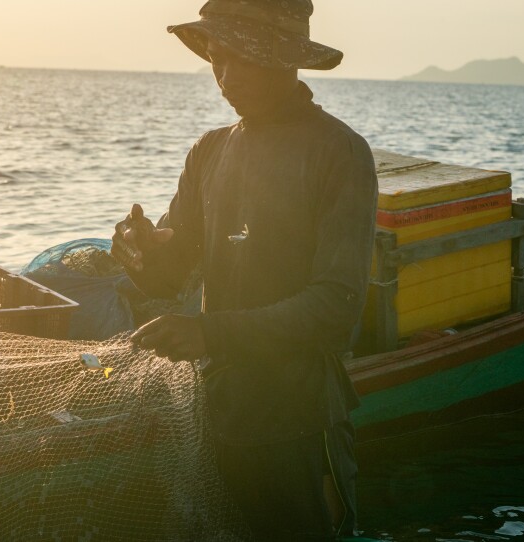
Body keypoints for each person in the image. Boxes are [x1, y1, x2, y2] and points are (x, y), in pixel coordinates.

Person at [111, 1, 378, 539]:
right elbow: (171, 270)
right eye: (216, 58)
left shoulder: (339, 152)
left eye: (243, 59)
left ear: (286, 59)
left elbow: (334, 311)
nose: (226, 77)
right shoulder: (209, 151)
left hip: (299, 424)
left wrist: (208, 331)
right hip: (220, 411)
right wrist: (140, 251)